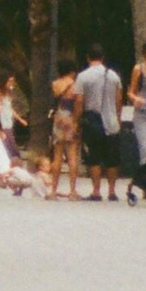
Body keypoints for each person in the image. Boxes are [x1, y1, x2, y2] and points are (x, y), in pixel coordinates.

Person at [73, 44, 125, 203]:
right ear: (103, 58)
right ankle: (112, 191)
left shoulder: (83, 76)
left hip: (92, 122)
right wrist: (118, 118)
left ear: (88, 58)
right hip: (111, 122)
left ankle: (96, 191)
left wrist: (76, 121)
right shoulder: (114, 76)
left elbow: (79, 101)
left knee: (93, 157)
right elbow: (119, 100)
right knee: (112, 159)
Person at [47, 60, 82, 200]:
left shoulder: (55, 84)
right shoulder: (76, 84)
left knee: (57, 155)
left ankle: (53, 191)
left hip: (59, 117)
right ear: (72, 70)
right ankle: (72, 191)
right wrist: (76, 121)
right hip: (71, 117)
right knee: (72, 155)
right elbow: (79, 102)